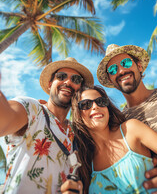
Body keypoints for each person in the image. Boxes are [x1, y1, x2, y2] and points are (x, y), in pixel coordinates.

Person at [0, 57, 93, 194]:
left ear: (80, 89)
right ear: (50, 84)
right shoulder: (32, 108)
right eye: (61, 76)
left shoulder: (76, 133)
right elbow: (5, 120)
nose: (67, 82)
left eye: (76, 79)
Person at [72, 85, 157, 193]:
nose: (95, 106)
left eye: (101, 101)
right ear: (78, 114)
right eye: (86, 104)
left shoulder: (131, 129)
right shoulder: (84, 161)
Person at [97, 44, 157, 190]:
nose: (121, 70)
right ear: (110, 79)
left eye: (126, 63)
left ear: (139, 66)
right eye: (113, 69)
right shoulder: (119, 122)